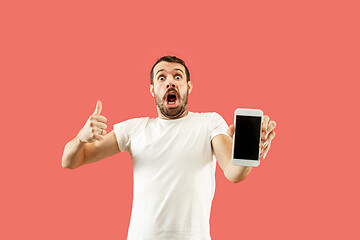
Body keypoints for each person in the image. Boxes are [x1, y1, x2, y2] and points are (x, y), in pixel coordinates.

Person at [61, 56, 277, 240]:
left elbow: (234, 172)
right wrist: (81, 138)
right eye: (162, 77)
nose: (170, 82)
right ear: (152, 89)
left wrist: (247, 152)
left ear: (189, 86)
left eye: (178, 76)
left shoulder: (210, 123)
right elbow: (70, 161)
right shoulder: (134, 129)